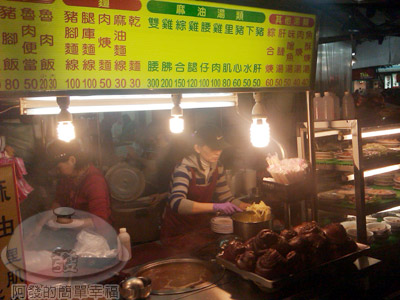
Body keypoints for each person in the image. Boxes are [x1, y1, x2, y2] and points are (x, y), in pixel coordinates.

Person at [160, 125, 250, 242]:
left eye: (220, 148)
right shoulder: (184, 168)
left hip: (198, 228)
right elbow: (177, 203)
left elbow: (226, 198)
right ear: (197, 148)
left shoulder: (218, 167)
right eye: (213, 148)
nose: (218, 152)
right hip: (176, 230)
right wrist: (215, 207)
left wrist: (248, 207)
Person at [46, 139, 112, 225]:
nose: (56, 171)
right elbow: (58, 202)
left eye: (59, 168)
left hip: (96, 235)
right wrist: (40, 225)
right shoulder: (66, 178)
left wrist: (69, 223)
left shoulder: (94, 181)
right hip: (74, 232)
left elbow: (100, 220)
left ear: (72, 160)